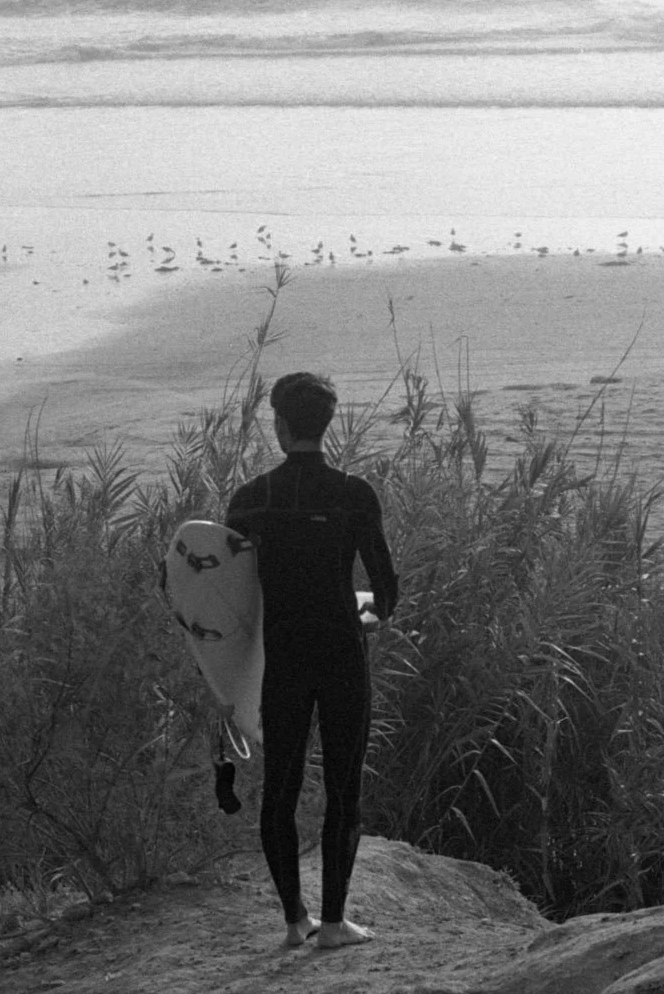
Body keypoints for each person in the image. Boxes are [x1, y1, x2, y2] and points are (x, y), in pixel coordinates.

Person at [226, 372, 399, 950]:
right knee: (344, 787)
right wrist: (372, 612)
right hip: (341, 651)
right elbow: (386, 587)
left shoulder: (252, 498)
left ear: (279, 425)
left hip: (282, 656)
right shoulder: (354, 494)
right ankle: (335, 923)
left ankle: (294, 920)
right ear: (327, 425)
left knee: (281, 786)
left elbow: (219, 587)